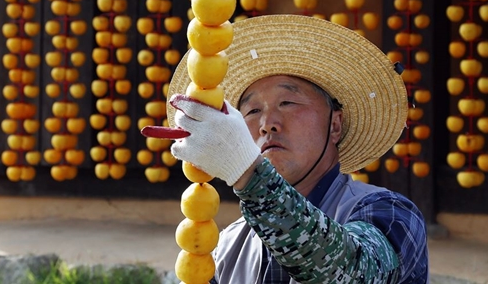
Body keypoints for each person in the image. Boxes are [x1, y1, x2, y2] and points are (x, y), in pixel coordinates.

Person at [163, 14, 429, 283]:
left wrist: (248, 173)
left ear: (335, 125)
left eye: (288, 102)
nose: (267, 124)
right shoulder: (227, 245)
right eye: (253, 111)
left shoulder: (388, 212)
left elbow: (354, 273)